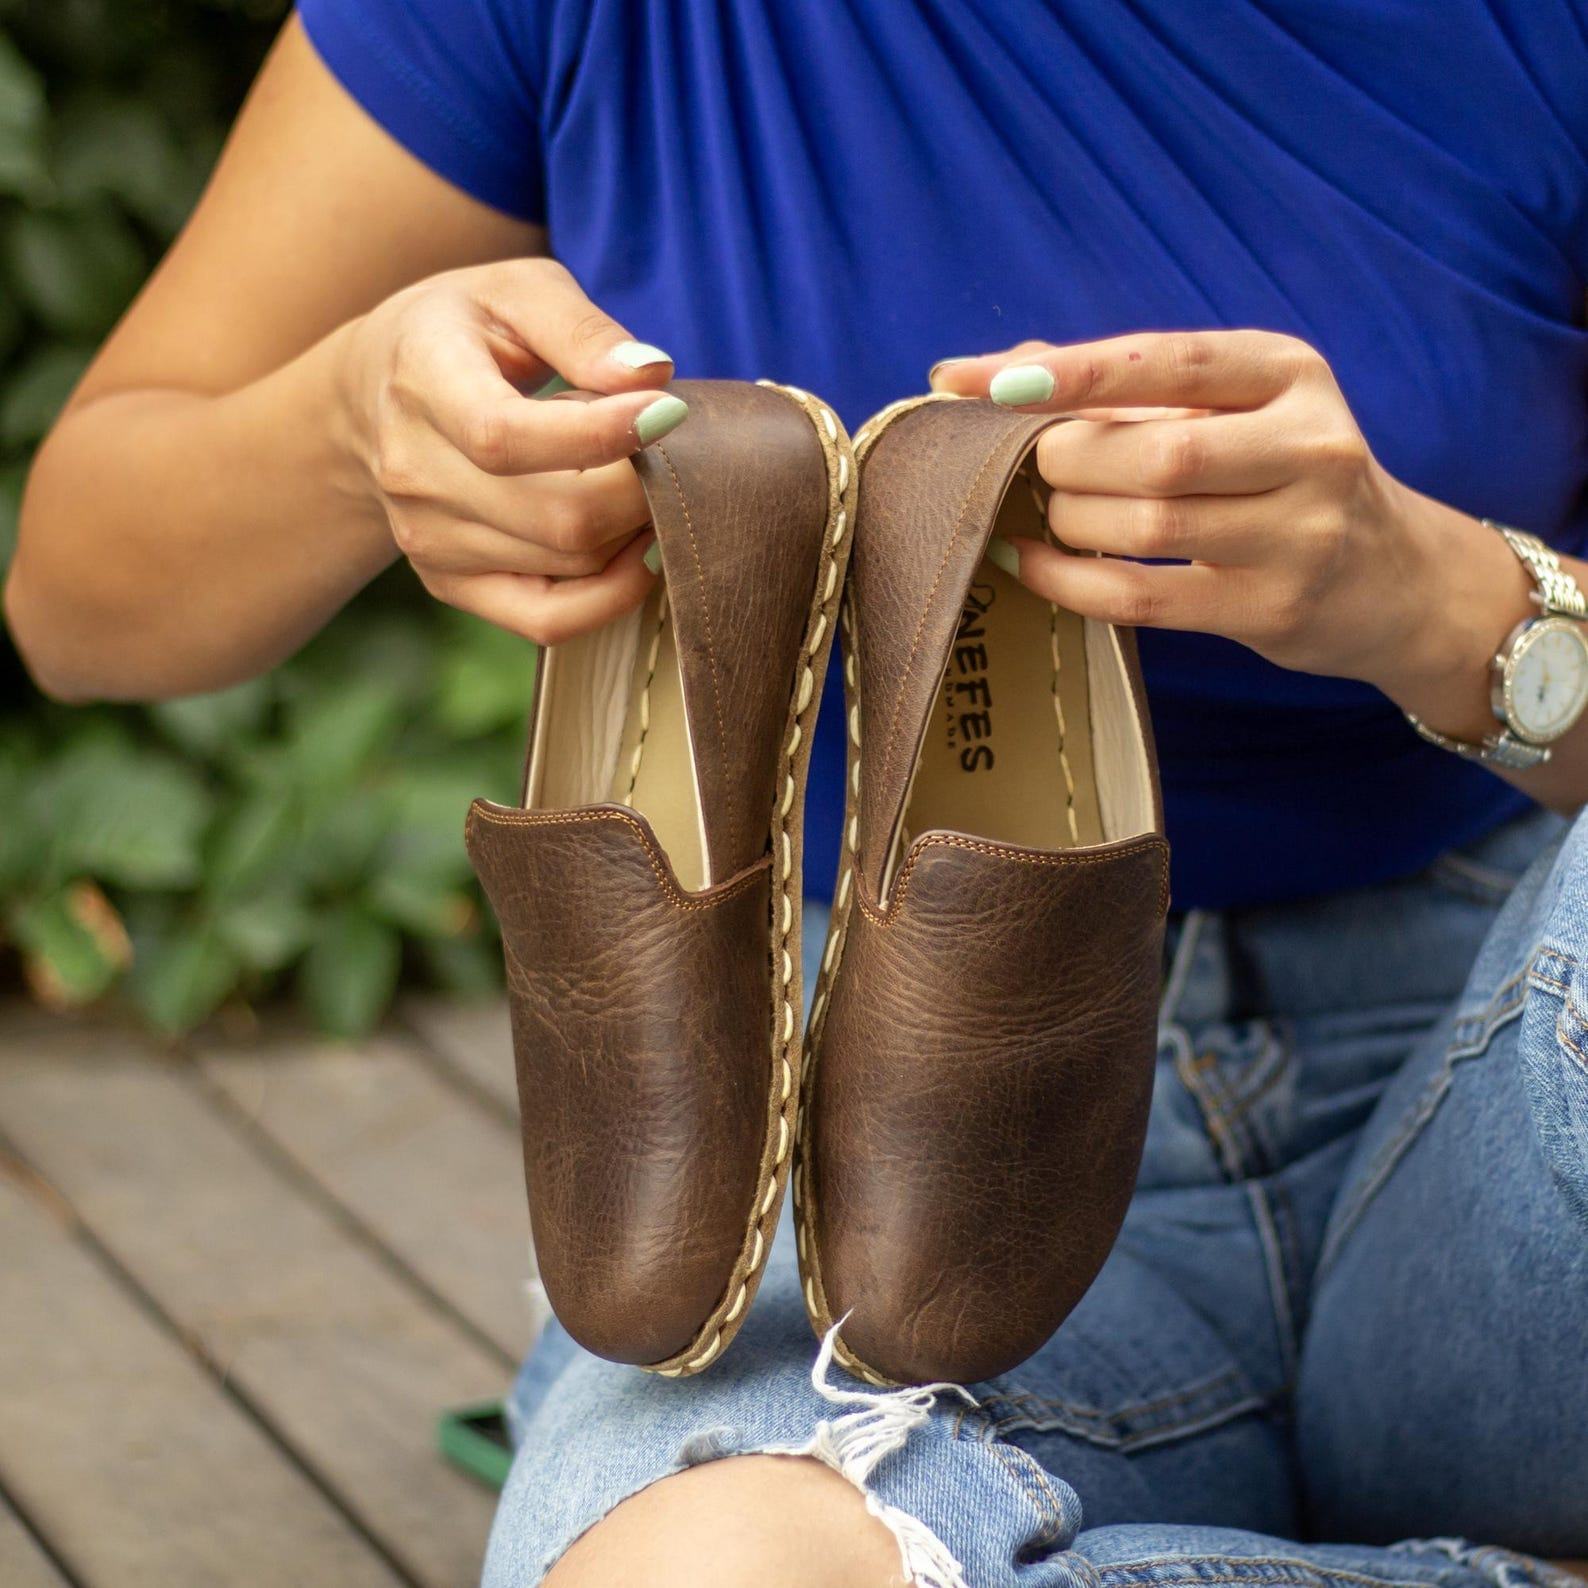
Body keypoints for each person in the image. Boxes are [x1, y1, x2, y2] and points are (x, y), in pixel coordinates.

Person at [5, 5, 1586, 1586]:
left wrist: (1449, 601)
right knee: (702, 1569)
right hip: (870, 1136)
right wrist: (353, 427)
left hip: (1504, 1098)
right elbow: (75, 591)